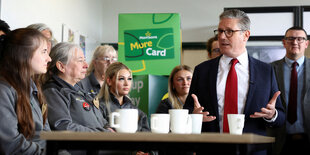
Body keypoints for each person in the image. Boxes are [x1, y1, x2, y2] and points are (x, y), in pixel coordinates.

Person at [183, 9, 285, 155]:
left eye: (229, 31)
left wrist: (272, 115)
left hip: (252, 150)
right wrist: (193, 117)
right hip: (211, 149)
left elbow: (280, 118)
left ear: (246, 35)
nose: (222, 37)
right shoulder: (202, 70)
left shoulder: (265, 71)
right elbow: (186, 111)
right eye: (220, 31)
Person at [0, 28, 51, 154]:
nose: (49, 59)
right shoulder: (3, 90)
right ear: (24, 53)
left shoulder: (33, 86)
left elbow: (46, 134)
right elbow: (11, 145)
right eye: (44, 52)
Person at [42, 42, 111, 132]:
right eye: (80, 60)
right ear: (61, 66)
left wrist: (108, 128)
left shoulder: (79, 90)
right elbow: (62, 126)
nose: (86, 65)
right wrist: (101, 134)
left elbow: (99, 120)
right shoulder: (53, 92)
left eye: (84, 60)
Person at [268, 26, 310, 155]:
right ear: (284, 42)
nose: (295, 42)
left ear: (306, 43)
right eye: (290, 38)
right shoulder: (269, 69)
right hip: (279, 139)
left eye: (300, 39)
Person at [97, 62, 150, 132]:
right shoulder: (98, 107)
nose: (127, 83)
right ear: (109, 81)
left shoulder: (137, 112)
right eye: (121, 79)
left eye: (129, 79)